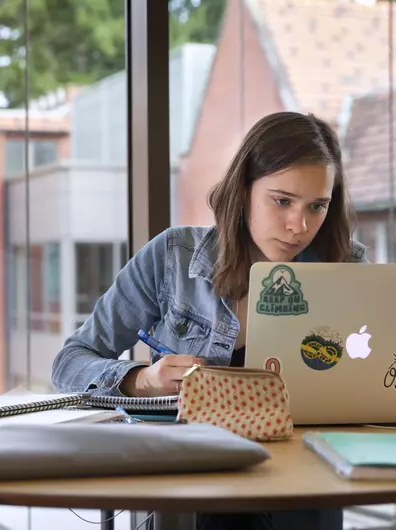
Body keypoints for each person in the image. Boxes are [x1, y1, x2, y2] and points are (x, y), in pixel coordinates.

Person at [51, 111, 368, 530]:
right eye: (282, 201)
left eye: (318, 206)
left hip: (304, 486)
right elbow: (69, 361)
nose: (300, 226)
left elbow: (367, 382)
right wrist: (141, 380)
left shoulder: (345, 265)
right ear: (244, 190)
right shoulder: (173, 258)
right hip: (192, 485)